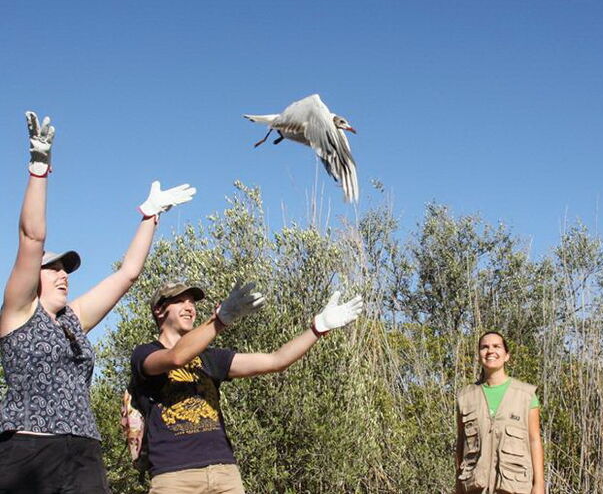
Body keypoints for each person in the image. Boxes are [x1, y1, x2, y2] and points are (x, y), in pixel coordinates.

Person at [0, 111, 197, 494]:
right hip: (28, 450)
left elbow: (127, 274)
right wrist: (39, 168)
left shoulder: (74, 321)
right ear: (30, 278)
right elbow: (31, 237)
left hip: (84, 450)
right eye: (52, 269)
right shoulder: (18, 314)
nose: (63, 275)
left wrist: (149, 217)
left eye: (67, 269)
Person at [130, 279, 363, 493]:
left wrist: (318, 328)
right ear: (159, 310)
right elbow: (176, 358)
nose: (189, 307)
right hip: (175, 477)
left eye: (192, 301)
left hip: (225, 473)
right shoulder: (145, 354)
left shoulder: (211, 358)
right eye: (179, 301)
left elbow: (276, 361)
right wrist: (218, 321)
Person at [454, 331, 545, 494]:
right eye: (484, 347)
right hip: (475, 487)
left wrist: (539, 485)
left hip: (514, 487)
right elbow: (461, 444)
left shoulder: (526, 395)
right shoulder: (465, 397)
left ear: (506, 355)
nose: (490, 351)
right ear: (479, 355)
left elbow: (534, 440)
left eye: (496, 346)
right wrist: (458, 485)